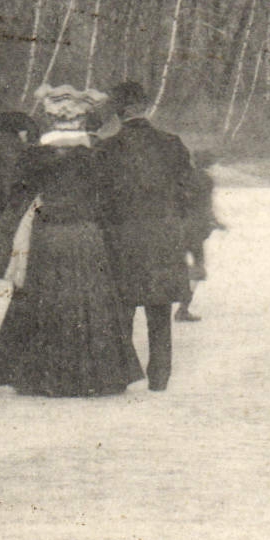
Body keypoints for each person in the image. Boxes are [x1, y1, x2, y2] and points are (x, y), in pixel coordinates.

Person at [0, 85, 145, 397]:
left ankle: (43, 376)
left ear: (49, 117)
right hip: (87, 234)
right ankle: (95, 374)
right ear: (83, 118)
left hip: (48, 234)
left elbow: (16, 197)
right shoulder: (98, 153)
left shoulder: (35, 154)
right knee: (90, 301)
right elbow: (114, 198)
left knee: (46, 298)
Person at [96, 81, 194, 392]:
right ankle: (159, 377)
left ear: (117, 111)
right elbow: (187, 192)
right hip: (164, 239)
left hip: (122, 239)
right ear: (145, 106)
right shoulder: (172, 143)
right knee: (160, 310)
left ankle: (121, 376)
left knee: (121, 310)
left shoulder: (106, 148)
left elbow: (100, 200)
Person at [175, 152, 224, 322]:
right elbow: (206, 205)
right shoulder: (206, 180)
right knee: (198, 267)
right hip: (195, 229)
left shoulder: (181, 175)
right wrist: (216, 222)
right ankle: (183, 309)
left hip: (177, 228)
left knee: (177, 265)